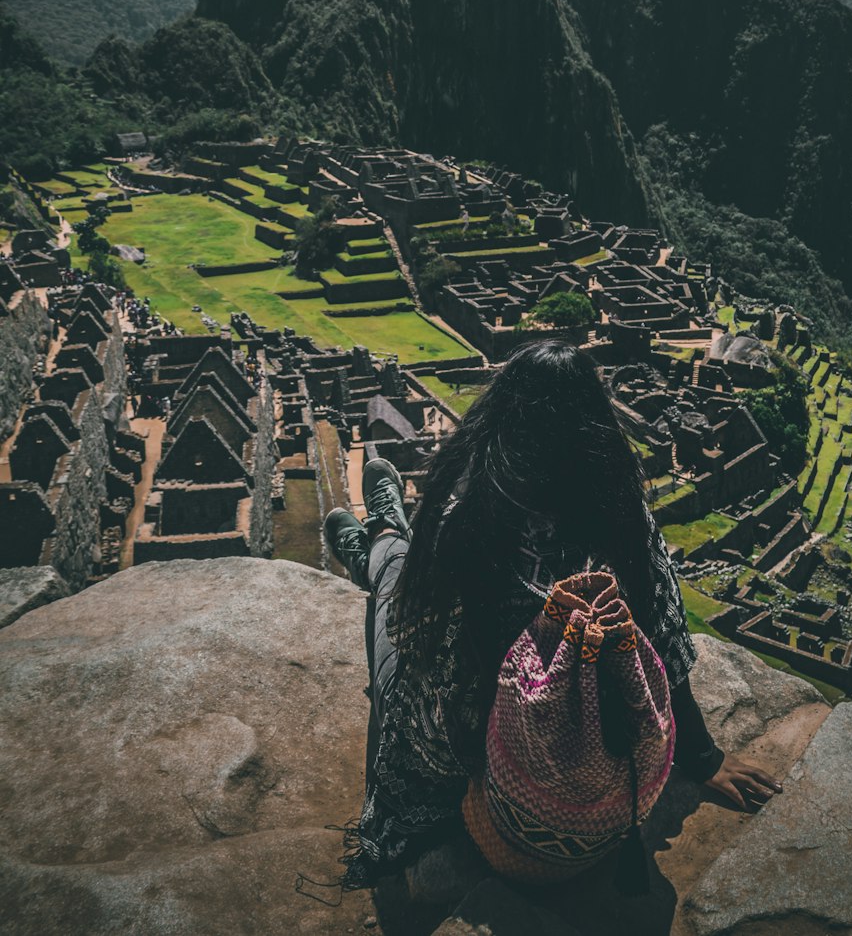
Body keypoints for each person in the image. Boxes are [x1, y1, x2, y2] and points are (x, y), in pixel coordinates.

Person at [325, 339, 780, 892]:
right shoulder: (623, 520)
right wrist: (703, 759)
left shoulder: (463, 516)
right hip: (585, 758)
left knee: (393, 603)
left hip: (493, 755)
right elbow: (663, 642)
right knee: (400, 590)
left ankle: (383, 536)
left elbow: (422, 651)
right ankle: (381, 535)